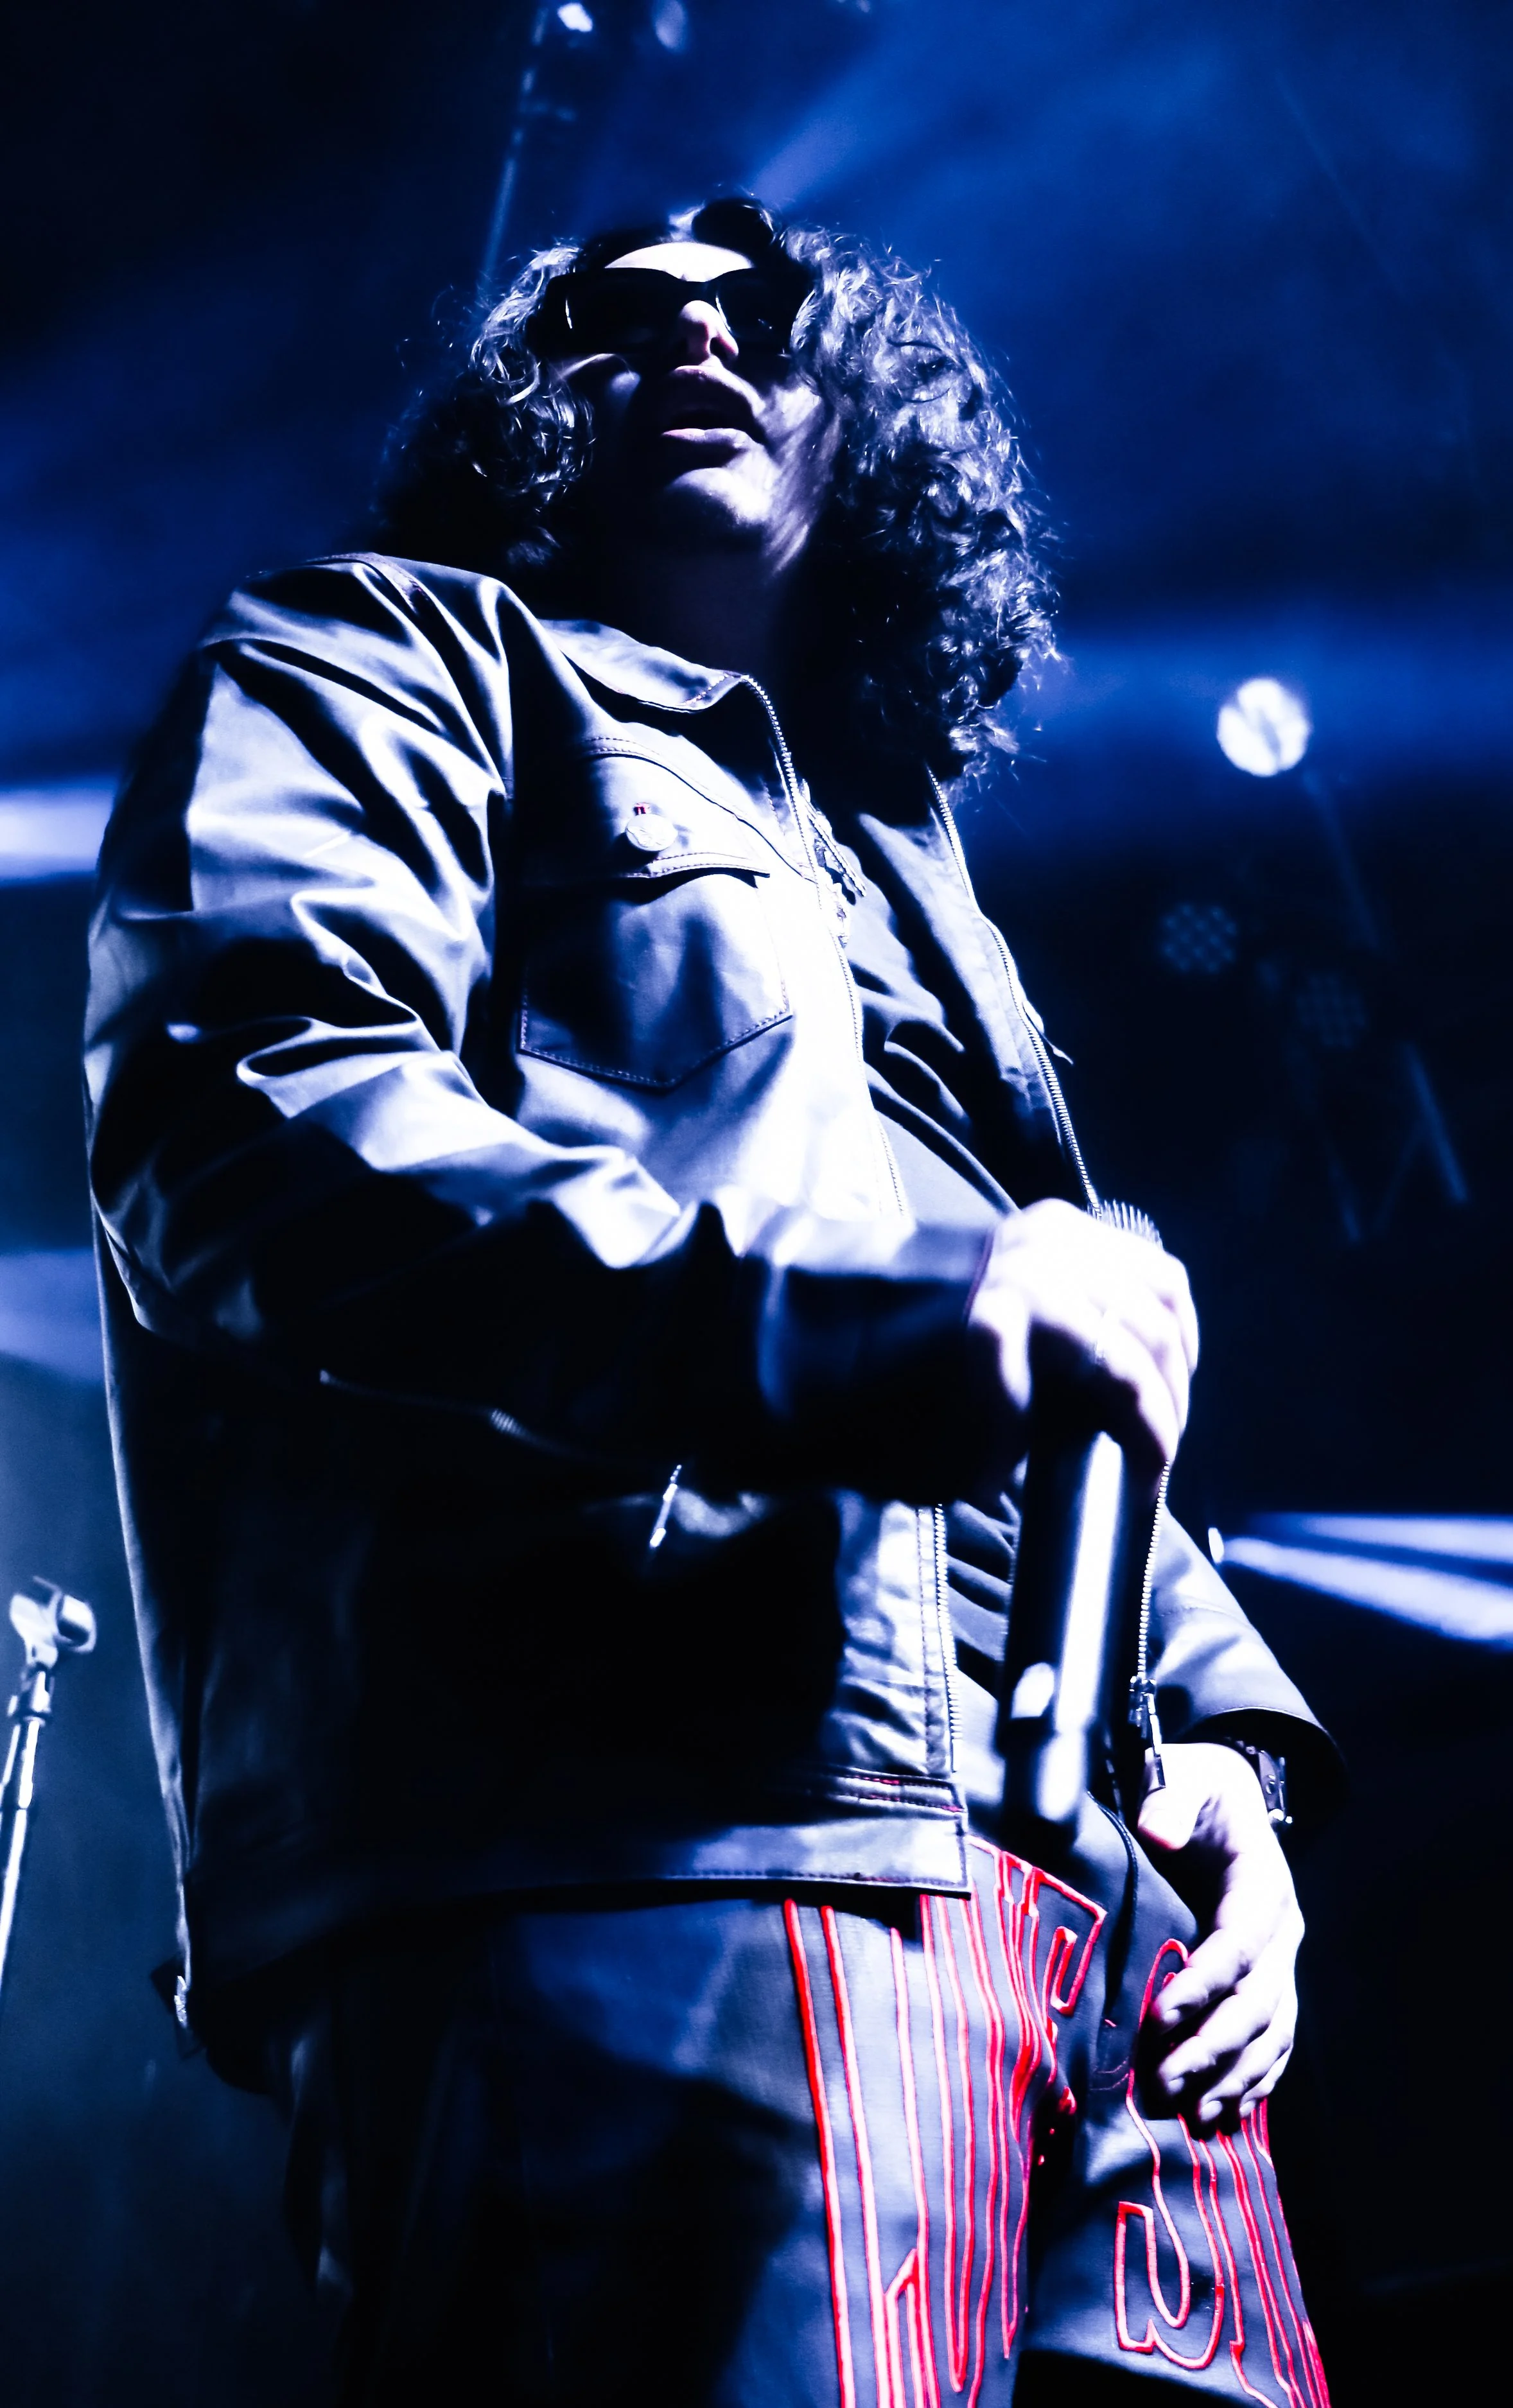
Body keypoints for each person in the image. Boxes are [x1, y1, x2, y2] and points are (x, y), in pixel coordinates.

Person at [85, 197, 1337, 2405]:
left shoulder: (916, 868)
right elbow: (251, 1113)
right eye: (608, 315)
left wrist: (1226, 1755)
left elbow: (1050, 1335)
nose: (686, 335)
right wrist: (846, 1320)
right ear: (519, 415)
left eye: (756, 308)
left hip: (1109, 1937)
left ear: (861, 418)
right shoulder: (366, 657)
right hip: (663, 1833)